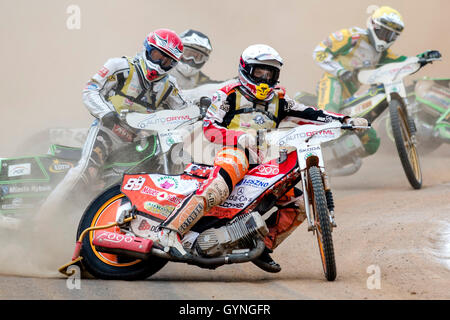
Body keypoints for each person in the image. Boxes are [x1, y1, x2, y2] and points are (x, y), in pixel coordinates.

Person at [157, 44, 369, 273]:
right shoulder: (229, 93)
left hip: (266, 161)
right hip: (232, 152)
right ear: (246, 69)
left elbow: (312, 114)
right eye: (260, 72)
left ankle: (262, 246)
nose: (265, 78)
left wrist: (346, 119)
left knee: (298, 204)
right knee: (217, 188)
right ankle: (169, 232)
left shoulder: (280, 99)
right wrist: (239, 137)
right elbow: (209, 128)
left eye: (270, 73)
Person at [39, 28, 188, 213]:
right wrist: (106, 113)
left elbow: (185, 111)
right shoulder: (120, 66)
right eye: (157, 55)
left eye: (167, 60)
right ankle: (41, 218)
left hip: (139, 142)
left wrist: (201, 111)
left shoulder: (169, 85)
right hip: (108, 132)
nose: (160, 63)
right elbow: (90, 90)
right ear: (148, 48)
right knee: (86, 169)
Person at [312, 6, 440, 156]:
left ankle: (336, 159)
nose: (386, 39)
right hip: (332, 82)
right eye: (385, 33)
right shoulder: (352, 36)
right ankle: (309, 149)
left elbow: (403, 63)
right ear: (374, 26)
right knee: (329, 115)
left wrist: (423, 58)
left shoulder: (383, 54)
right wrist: (341, 71)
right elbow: (319, 52)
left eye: (391, 36)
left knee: (372, 142)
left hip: (349, 99)